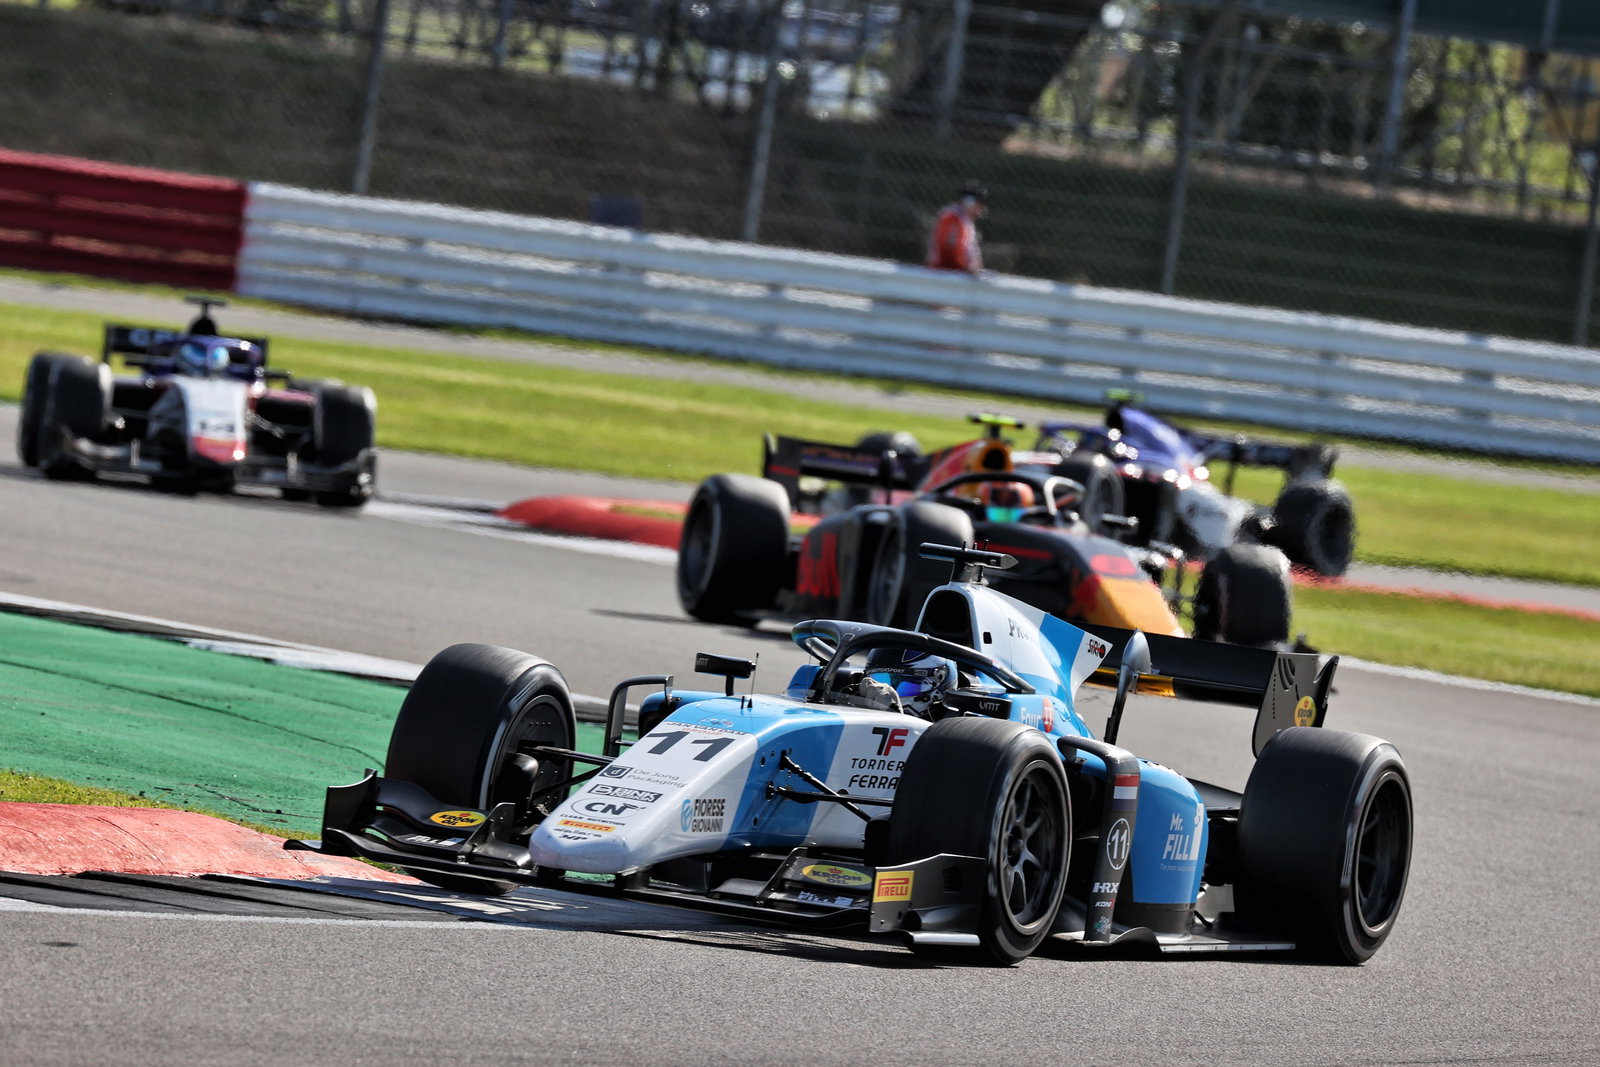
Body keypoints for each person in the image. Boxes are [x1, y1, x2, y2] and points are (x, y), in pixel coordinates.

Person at [925, 181, 987, 275]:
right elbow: (948, 254)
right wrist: (968, 268)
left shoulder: (966, 221)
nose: (982, 207)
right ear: (968, 202)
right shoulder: (952, 219)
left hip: (956, 274)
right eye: (979, 203)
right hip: (945, 274)